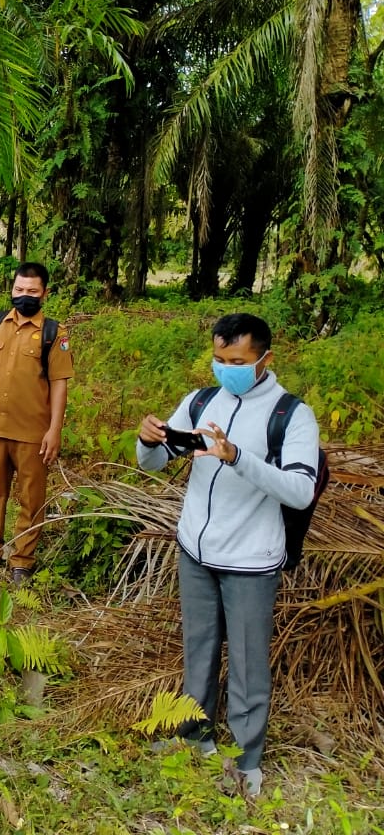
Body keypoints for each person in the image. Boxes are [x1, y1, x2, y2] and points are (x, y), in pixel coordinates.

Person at [136, 313, 320, 796]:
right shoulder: (201, 400)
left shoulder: (290, 415)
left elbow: (300, 490)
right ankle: (193, 735)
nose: (226, 369)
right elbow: (154, 463)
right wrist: (149, 439)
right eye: (219, 360)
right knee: (198, 650)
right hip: (195, 548)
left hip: (251, 560)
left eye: (237, 361)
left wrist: (237, 457)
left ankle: (245, 760)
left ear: (264, 359)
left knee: (246, 661)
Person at [0, 262, 73, 585]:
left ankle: (22, 561)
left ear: (44, 294)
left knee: (30, 497)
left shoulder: (54, 333)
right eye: (19, 290)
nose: (25, 296)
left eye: (32, 291)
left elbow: (60, 383)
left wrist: (54, 430)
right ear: (12, 289)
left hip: (32, 433)